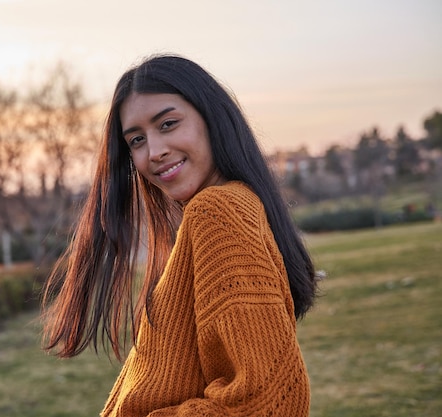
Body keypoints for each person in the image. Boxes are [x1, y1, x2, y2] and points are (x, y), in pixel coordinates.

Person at [42, 54, 317, 416]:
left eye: (168, 124)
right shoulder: (222, 209)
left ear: (212, 117)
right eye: (137, 140)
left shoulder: (218, 212)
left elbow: (267, 401)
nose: (154, 152)